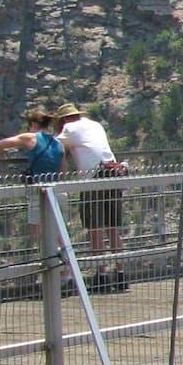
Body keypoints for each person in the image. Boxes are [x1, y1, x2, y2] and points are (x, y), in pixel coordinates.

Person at [52, 103, 127, 294]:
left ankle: (101, 275)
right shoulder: (95, 125)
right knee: (113, 228)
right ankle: (121, 275)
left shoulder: (70, 128)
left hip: (93, 177)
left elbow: (53, 145)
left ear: (63, 119)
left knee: (95, 228)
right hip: (113, 173)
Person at [0, 108, 65, 244]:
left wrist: (1, 160)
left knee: (37, 232)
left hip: (38, 192)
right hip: (58, 191)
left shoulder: (30, 137)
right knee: (60, 234)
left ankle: (48, 261)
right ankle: (64, 263)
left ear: (33, 124)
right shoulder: (58, 144)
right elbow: (63, 172)